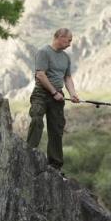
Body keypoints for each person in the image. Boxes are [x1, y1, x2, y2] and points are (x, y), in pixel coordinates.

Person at [26, 28, 79, 175]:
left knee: (56, 129)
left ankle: (55, 165)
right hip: (41, 93)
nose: (70, 43)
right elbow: (40, 75)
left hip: (58, 95)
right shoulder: (44, 52)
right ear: (60, 37)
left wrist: (73, 94)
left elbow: (67, 78)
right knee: (36, 120)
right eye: (69, 40)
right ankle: (28, 156)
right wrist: (54, 92)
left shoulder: (66, 58)